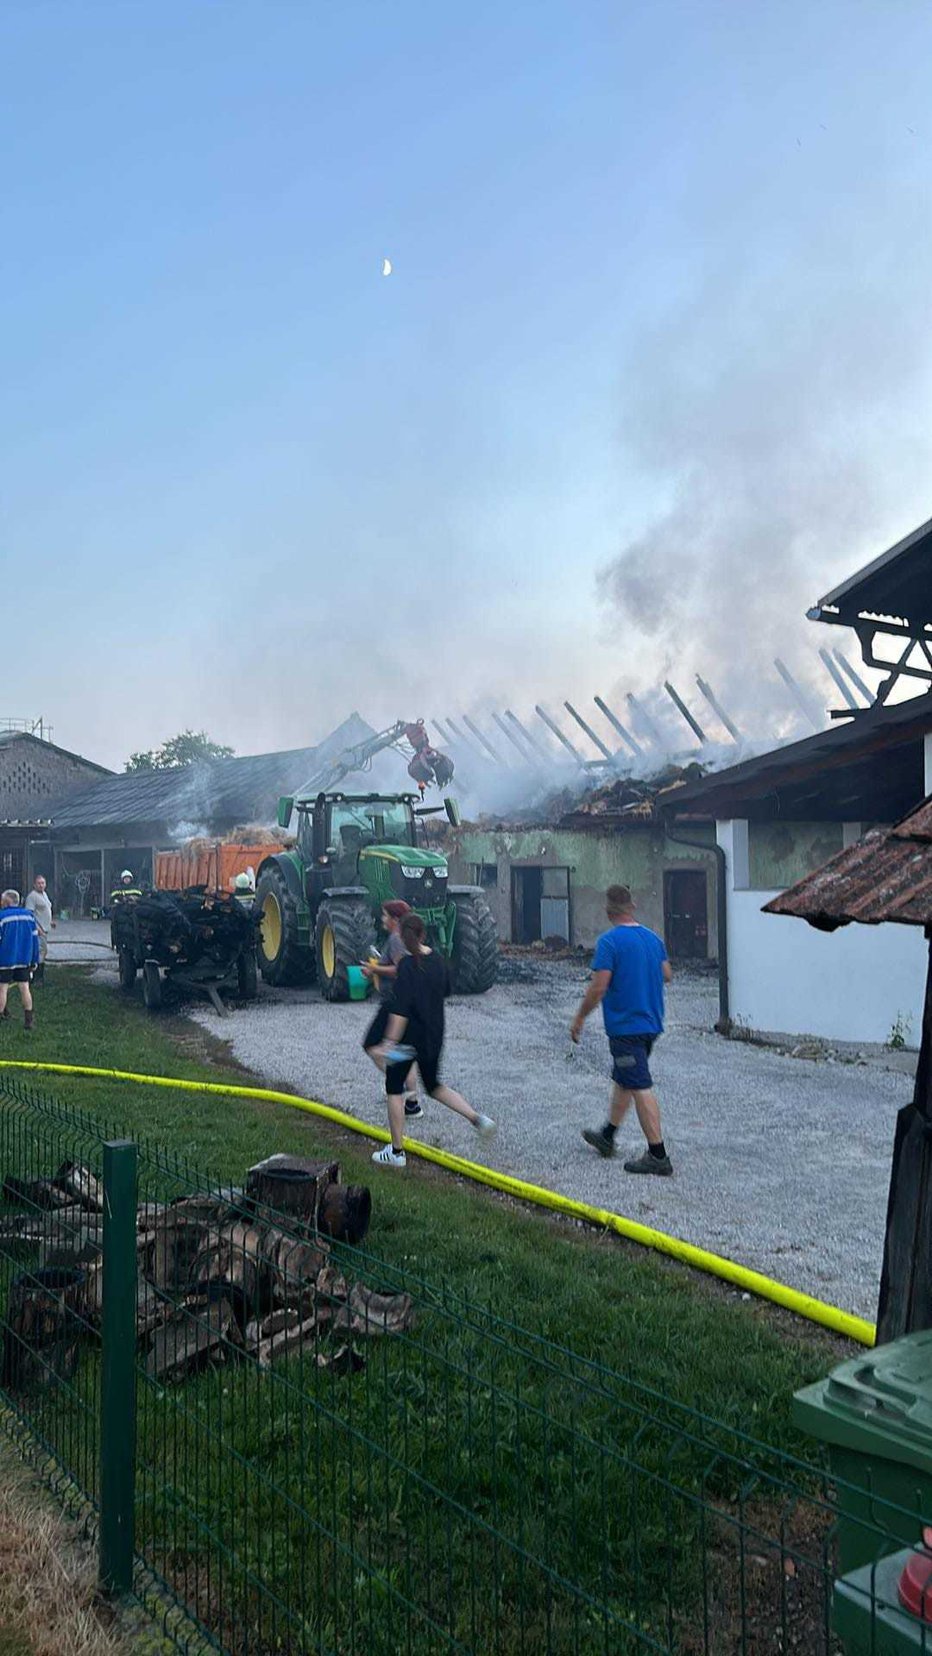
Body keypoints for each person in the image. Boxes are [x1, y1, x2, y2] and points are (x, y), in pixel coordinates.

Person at [371, 912, 495, 1169]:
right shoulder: (439, 962)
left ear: (403, 940)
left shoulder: (406, 967)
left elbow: (400, 1012)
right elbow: (447, 991)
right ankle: (477, 1118)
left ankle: (396, 1152)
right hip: (433, 1037)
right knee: (435, 1086)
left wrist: (388, 1043)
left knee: (394, 1087)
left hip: (406, 1042)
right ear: (424, 934)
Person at [572, 884, 673, 1176]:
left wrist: (579, 1018)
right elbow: (667, 974)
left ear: (608, 911)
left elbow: (599, 987)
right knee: (625, 1080)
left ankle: (658, 1154)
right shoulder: (653, 939)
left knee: (639, 1084)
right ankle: (607, 1136)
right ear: (633, 906)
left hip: (627, 1027)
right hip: (651, 1024)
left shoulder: (609, 942)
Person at [361, 900, 422, 1119]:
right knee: (405, 1050)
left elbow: (400, 969)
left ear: (395, 920)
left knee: (371, 1046)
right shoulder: (407, 940)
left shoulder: (396, 940)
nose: (382, 920)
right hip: (408, 1002)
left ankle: (401, 1088)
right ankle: (412, 1104)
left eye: (385, 916)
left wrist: (374, 968)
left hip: (393, 1002)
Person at [0, 890, 40, 1031]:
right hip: (24, 960)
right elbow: (36, 941)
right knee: (24, 988)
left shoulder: (1, 917)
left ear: (8, 901)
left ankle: (2, 1015)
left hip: (5, 960)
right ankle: (28, 1021)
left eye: (2, 900)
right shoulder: (29, 917)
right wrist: (35, 960)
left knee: (2, 989)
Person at [24, 874, 55, 985]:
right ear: (34, 884)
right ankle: (37, 978)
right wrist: (37, 928)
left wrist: (50, 921)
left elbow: (45, 910)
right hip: (38, 930)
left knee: (43, 951)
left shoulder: (44, 894)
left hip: (45, 928)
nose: (41, 885)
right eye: (39, 883)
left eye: (43, 883)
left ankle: (39, 977)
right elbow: (30, 915)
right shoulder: (32, 897)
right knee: (39, 952)